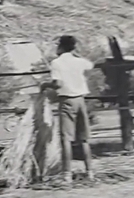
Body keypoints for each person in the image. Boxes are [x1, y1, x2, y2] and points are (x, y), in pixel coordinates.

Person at [41, 35, 95, 183]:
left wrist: (45, 85)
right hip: (80, 100)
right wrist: (75, 53)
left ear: (61, 46)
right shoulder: (79, 61)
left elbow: (58, 84)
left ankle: (67, 174)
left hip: (67, 100)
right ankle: (90, 172)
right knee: (83, 138)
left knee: (66, 138)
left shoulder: (57, 63)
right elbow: (90, 65)